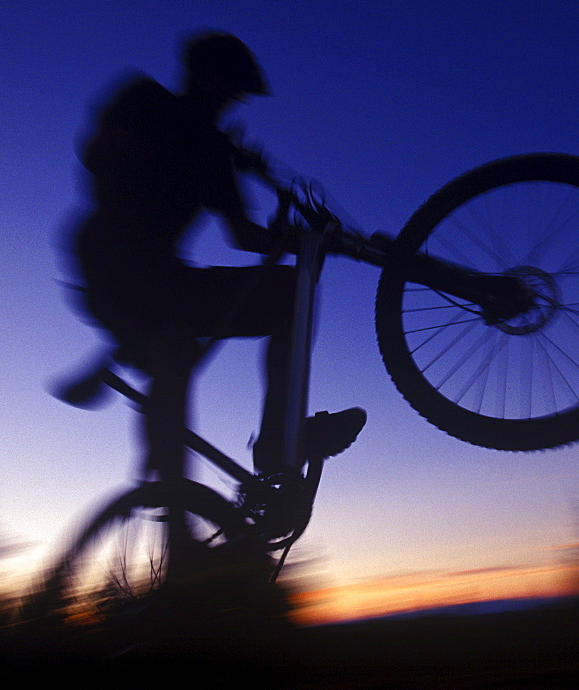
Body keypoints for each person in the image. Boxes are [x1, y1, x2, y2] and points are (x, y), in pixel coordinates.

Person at [67, 32, 365, 488]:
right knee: (173, 346)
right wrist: (192, 142)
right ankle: (173, 509)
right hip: (108, 262)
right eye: (229, 89)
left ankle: (276, 442)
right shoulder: (147, 100)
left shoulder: (212, 150)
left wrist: (300, 241)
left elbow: (242, 235)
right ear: (204, 77)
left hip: (163, 278)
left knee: (288, 292)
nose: (232, 102)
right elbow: (96, 155)